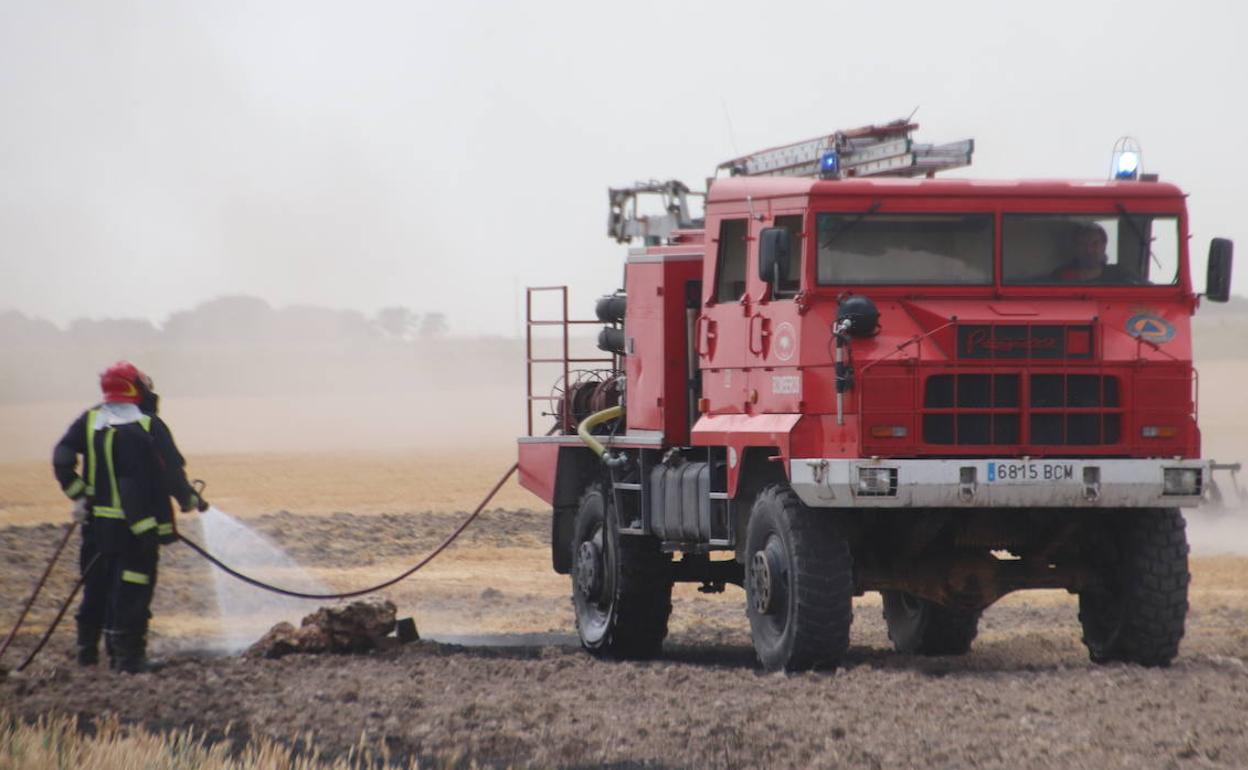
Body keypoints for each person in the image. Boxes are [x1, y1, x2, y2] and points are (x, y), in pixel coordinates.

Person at [52, 361, 208, 672]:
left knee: (97, 585)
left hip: (97, 527)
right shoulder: (148, 425)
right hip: (137, 529)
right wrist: (192, 499)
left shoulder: (92, 419)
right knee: (133, 587)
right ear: (134, 387)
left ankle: (88, 654)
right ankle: (129, 659)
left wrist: (80, 493)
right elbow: (172, 475)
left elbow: (62, 457)